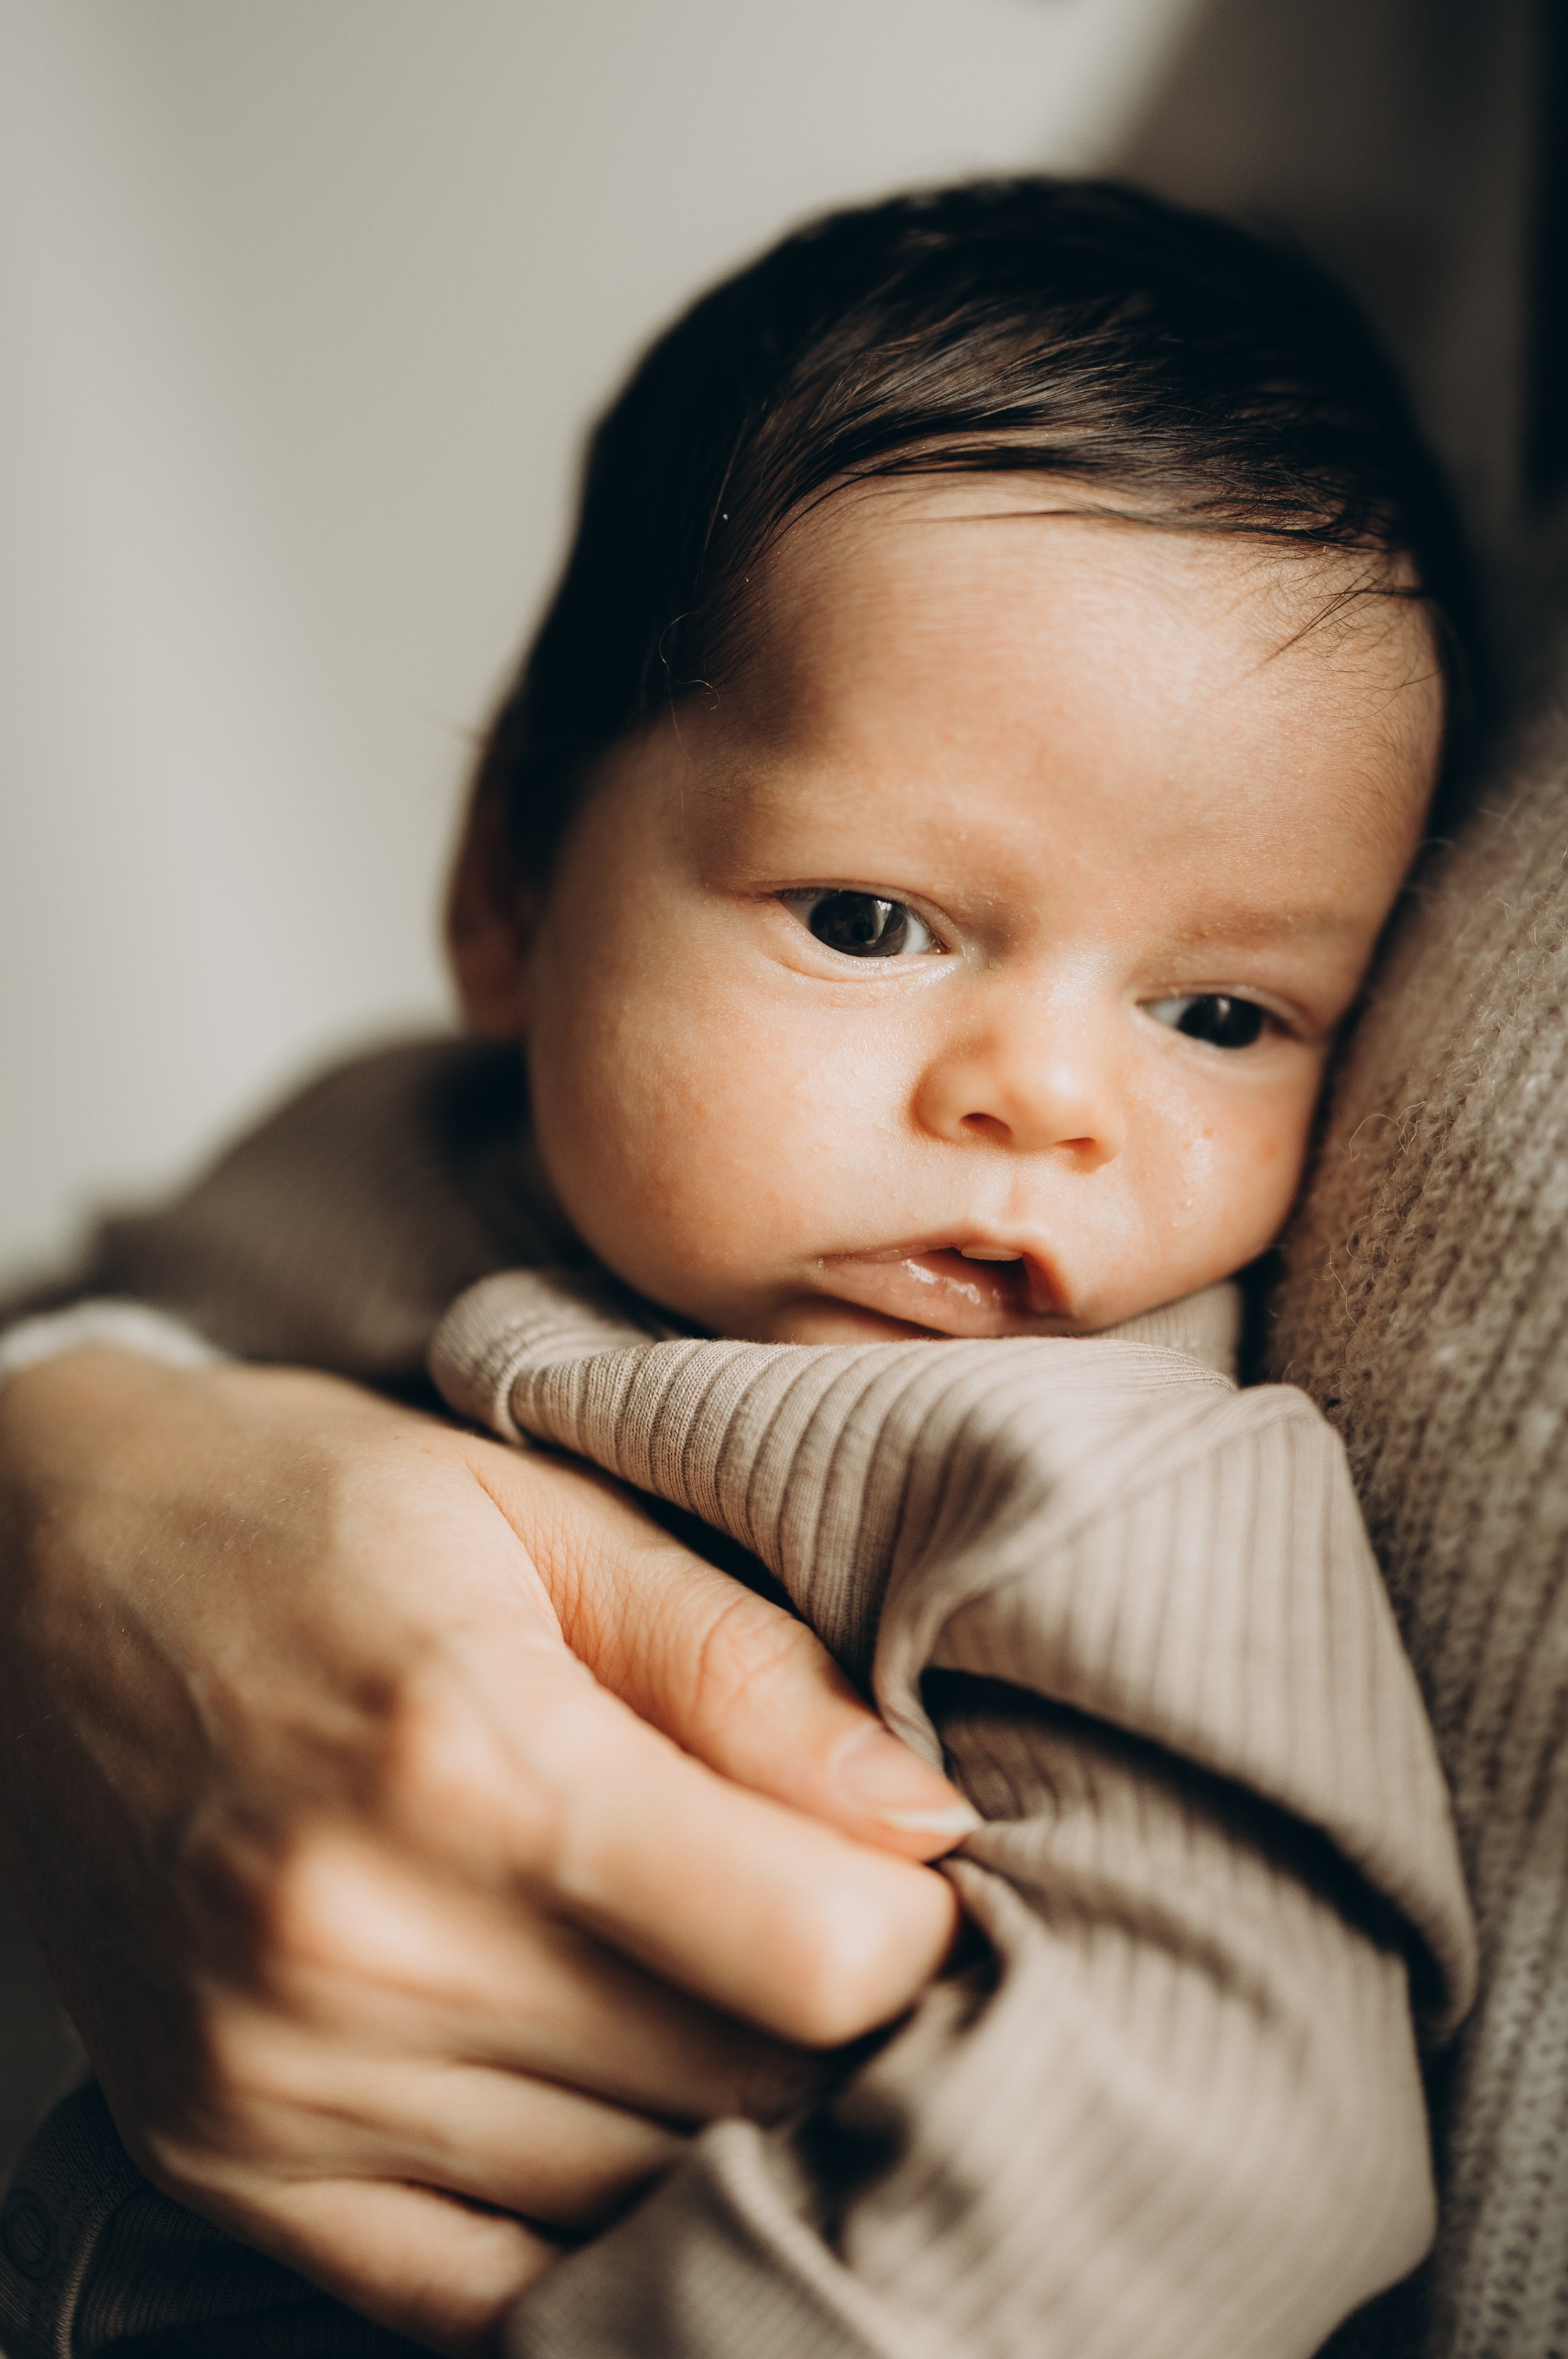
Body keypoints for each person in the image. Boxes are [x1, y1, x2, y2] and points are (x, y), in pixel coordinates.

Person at [0, 180, 1476, 2358]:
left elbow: (1227, 2133)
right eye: (871, 921)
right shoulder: (377, 1148)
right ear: (509, 880)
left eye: (1221, 1014)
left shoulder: (1104, 1486)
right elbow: (98, 1303)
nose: (1044, 1098)